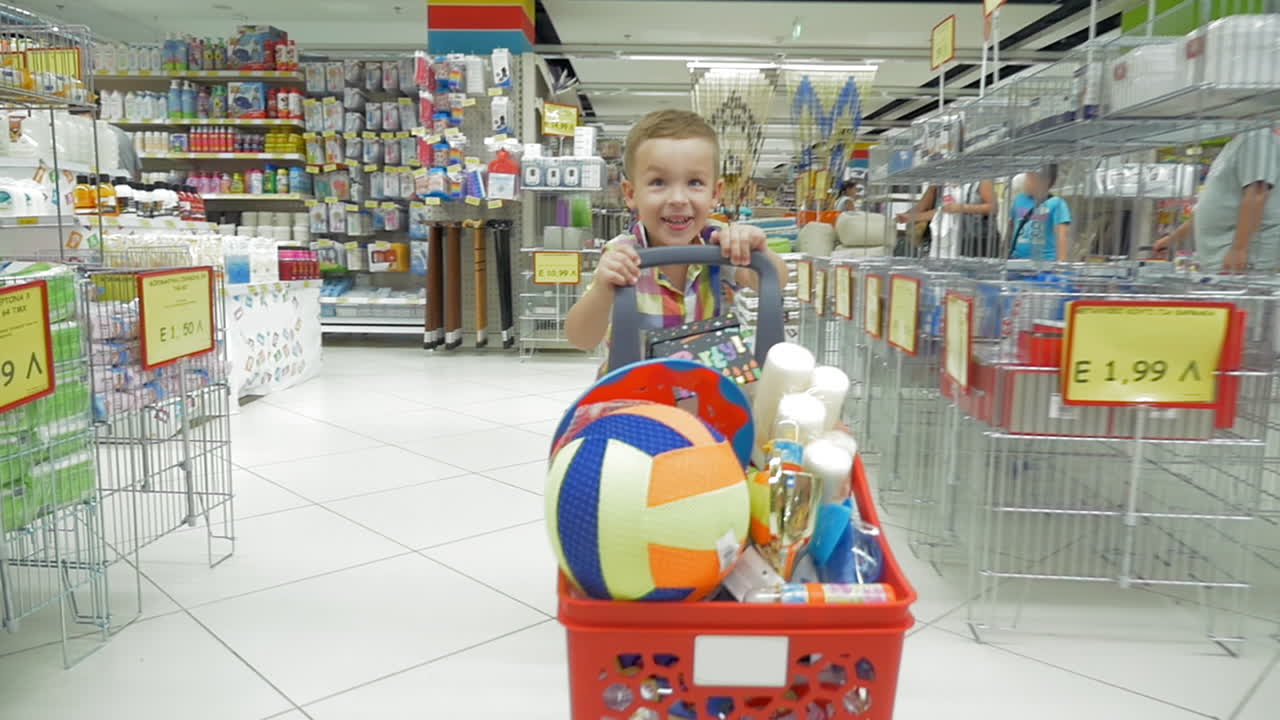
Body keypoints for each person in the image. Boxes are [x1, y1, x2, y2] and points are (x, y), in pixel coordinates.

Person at [565, 109, 788, 363]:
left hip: (706, 393)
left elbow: (775, 281)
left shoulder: (719, 245)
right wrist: (603, 291)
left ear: (716, 193)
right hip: (635, 396)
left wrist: (758, 252)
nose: (678, 199)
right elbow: (581, 339)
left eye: (694, 182)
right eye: (659, 182)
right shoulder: (621, 254)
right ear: (630, 193)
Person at [1153, 128, 1280, 273]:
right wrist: (1172, 240)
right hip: (1223, 258)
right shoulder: (1237, 143)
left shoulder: (1258, 136)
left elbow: (1257, 193)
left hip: (1244, 260)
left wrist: (1239, 249)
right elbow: (1206, 209)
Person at [1007, 166, 1072, 261]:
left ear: (1045, 180)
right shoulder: (1019, 199)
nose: (1025, 181)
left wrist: (1061, 264)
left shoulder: (1057, 204)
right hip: (1016, 261)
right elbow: (1011, 227)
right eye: (1027, 176)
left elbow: (1062, 237)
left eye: (1030, 177)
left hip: (1045, 263)